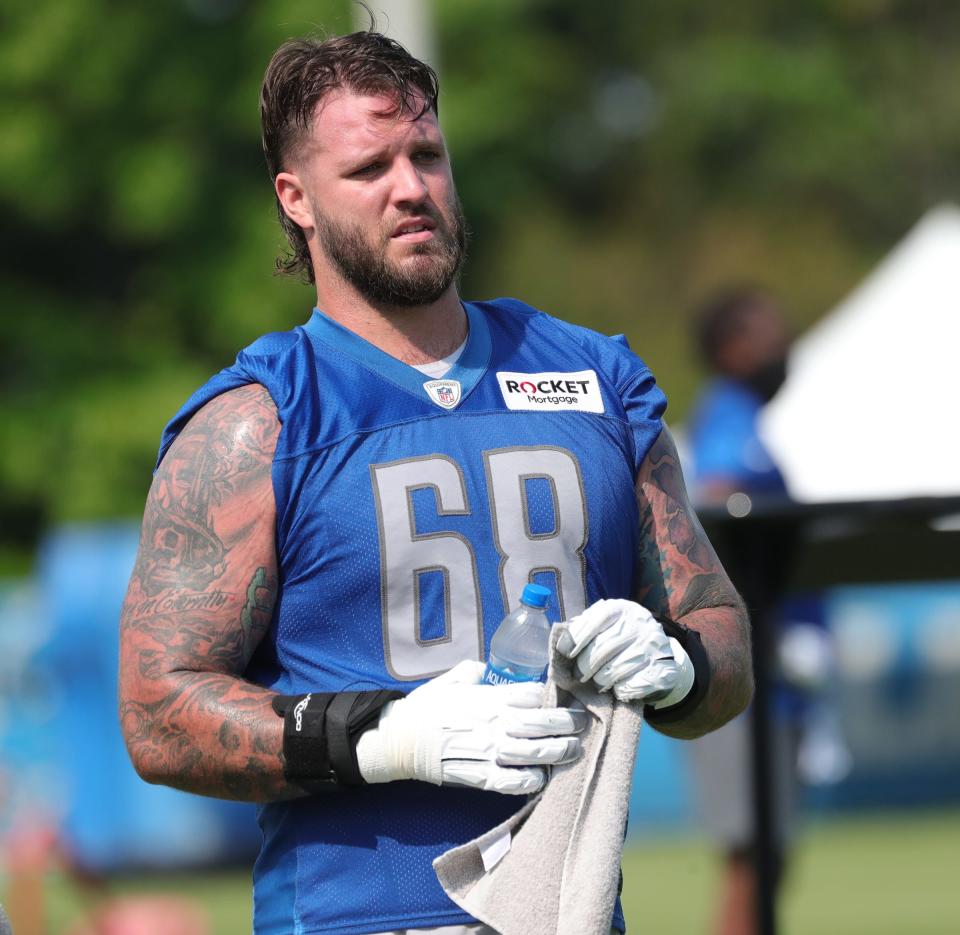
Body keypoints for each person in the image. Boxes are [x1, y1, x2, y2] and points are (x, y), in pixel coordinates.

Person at [118, 29, 752, 935]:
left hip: (571, 912)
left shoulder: (595, 381)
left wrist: (677, 663)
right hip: (353, 918)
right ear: (295, 199)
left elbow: (722, 642)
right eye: (369, 166)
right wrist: (386, 739)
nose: (411, 187)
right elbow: (157, 712)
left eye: (426, 154)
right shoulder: (260, 421)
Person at [684, 287, 838, 935]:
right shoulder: (728, 416)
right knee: (752, 859)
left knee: (767, 858)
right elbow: (716, 499)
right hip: (745, 676)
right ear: (733, 348)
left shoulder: (741, 418)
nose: (785, 345)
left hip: (769, 680)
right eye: (770, 332)